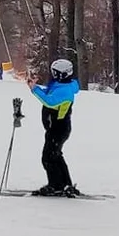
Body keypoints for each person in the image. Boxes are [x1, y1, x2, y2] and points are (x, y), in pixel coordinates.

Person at [27, 58, 80, 197]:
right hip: (56, 128)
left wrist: (34, 89)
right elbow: (50, 93)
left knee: (48, 157)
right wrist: (36, 85)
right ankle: (65, 184)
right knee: (55, 156)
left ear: (61, 74)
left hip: (58, 129)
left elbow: (49, 101)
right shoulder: (61, 86)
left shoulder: (65, 91)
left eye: (54, 73)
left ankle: (56, 185)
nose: (52, 75)